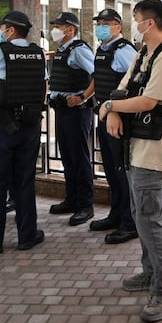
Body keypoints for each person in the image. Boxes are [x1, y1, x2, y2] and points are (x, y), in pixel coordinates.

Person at [98, 0, 162, 323]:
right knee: (139, 213)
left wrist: (110, 108)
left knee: (149, 217)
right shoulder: (144, 54)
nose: (134, 25)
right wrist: (112, 108)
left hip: (153, 148)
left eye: (136, 19)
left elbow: (149, 101)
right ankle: (150, 273)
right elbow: (121, 89)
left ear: (149, 23)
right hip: (135, 146)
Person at [0, 10, 47, 254]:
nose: (0, 31)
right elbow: (43, 85)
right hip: (30, 126)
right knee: (25, 181)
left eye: (2, 27)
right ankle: (27, 236)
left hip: (3, 126)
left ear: (11, 30)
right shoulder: (39, 54)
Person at [87, 8, 138, 244]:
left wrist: (116, 110)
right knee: (110, 169)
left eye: (106, 23)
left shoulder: (124, 50)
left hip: (119, 120)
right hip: (104, 116)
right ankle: (116, 214)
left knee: (121, 171)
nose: (101, 27)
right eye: (99, 23)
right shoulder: (102, 50)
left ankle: (130, 223)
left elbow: (134, 83)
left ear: (118, 27)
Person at [47, 11, 96, 226]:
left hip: (77, 111)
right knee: (67, 155)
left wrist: (83, 97)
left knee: (79, 156)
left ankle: (85, 205)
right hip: (62, 109)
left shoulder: (79, 50)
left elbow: (97, 75)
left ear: (70, 29)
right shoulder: (61, 50)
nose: (55, 30)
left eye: (59, 26)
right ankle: (72, 199)